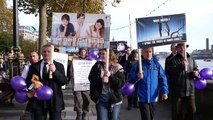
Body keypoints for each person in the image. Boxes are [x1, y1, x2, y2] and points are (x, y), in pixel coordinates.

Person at [26, 44, 68, 120]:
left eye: (48, 51)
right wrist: (33, 86)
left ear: (52, 53)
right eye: (44, 51)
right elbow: (28, 82)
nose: (46, 53)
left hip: (54, 100)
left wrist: (55, 71)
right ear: (41, 53)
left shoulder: (59, 66)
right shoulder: (34, 67)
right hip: (38, 100)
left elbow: (64, 81)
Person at [128, 47, 169, 120]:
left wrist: (164, 92)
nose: (148, 54)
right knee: (146, 118)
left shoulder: (156, 65)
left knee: (151, 117)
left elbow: (162, 79)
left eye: (150, 52)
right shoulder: (138, 65)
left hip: (154, 97)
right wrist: (137, 76)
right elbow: (130, 78)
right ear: (142, 54)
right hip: (142, 97)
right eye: (146, 52)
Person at [88, 49, 125, 120]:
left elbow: (120, 84)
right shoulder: (97, 66)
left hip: (114, 101)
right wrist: (101, 80)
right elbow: (91, 78)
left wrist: (110, 76)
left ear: (110, 55)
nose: (101, 56)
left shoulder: (118, 67)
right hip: (101, 100)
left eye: (103, 54)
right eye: (100, 54)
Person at [165, 43, 199, 120]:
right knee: (177, 113)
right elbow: (170, 73)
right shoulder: (172, 60)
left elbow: (196, 68)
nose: (182, 49)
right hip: (177, 91)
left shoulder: (191, 59)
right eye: (180, 47)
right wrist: (181, 66)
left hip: (190, 91)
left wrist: (196, 72)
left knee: (192, 111)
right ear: (176, 49)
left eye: (184, 47)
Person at [67, 47, 90, 120]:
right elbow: (70, 71)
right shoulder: (75, 61)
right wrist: (71, 81)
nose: (83, 53)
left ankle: (85, 113)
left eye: (84, 52)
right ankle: (79, 114)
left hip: (86, 84)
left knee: (87, 99)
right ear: (79, 53)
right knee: (78, 100)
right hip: (77, 83)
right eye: (81, 52)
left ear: (86, 53)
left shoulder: (90, 61)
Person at [164, 43, 177, 120]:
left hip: (181, 84)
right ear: (171, 49)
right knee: (174, 104)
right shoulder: (168, 58)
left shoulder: (182, 57)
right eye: (173, 48)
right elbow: (166, 71)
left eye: (176, 47)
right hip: (172, 83)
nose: (175, 49)